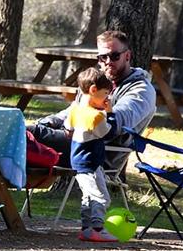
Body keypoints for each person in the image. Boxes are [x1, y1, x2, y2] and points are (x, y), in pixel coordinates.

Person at [29, 30, 156, 173]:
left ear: (127, 56)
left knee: (23, 134)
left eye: (114, 56)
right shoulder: (96, 82)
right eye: (103, 57)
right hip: (77, 142)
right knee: (25, 133)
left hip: (96, 153)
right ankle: (3, 187)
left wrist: (75, 126)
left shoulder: (142, 90)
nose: (108, 62)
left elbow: (115, 123)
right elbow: (72, 111)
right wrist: (46, 122)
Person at [63, 68, 118, 242]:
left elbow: (68, 129)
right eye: (105, 94)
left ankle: (86, 229)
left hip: (77, 162)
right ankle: (97, 228)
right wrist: (110, 113)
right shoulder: (96, 117)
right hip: (91, 162)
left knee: (87, 196)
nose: (107, 98)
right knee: (101, 197)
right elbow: (109, 134)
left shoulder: (75, 109)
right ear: (94, 90)